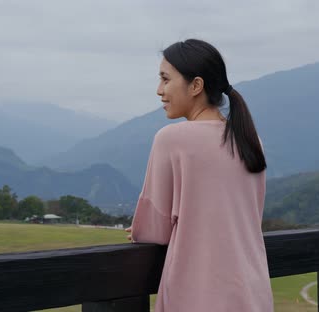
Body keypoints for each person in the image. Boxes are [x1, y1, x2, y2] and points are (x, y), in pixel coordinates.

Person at [125, 39, 273, 312]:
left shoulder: (171, 139)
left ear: (195, 86)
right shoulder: (250, 140)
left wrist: (135, 230)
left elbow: (152, 230)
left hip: (197, 294)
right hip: (253, 293)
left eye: (165, 79)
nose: (159, 90)